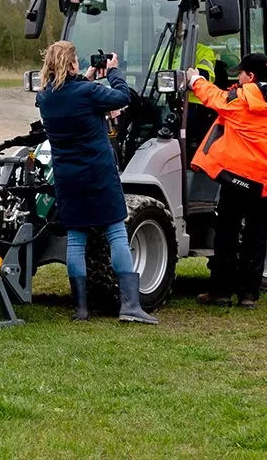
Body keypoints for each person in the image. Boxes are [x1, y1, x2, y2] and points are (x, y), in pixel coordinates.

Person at [35, 41, 156, 324]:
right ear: (72, 63)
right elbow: (122, 97)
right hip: (98, 173)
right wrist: (113, 72)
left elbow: (65, 93)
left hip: (67, 177)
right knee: (116, 233)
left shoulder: (46, 97)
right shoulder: (88, 93)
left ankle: (81, 309)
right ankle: (130, 305)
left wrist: (85, 77)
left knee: (76, 240)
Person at [187, 52, 267, 308]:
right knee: (257, 238)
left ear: (251, 76)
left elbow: (214, 97)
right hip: (266, 184)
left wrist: (194, 80)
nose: (238, 77)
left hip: (236, 180)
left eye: (241, 73)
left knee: (226, 235)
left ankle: (221, 291)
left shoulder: (240, 99)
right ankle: (249, 295)